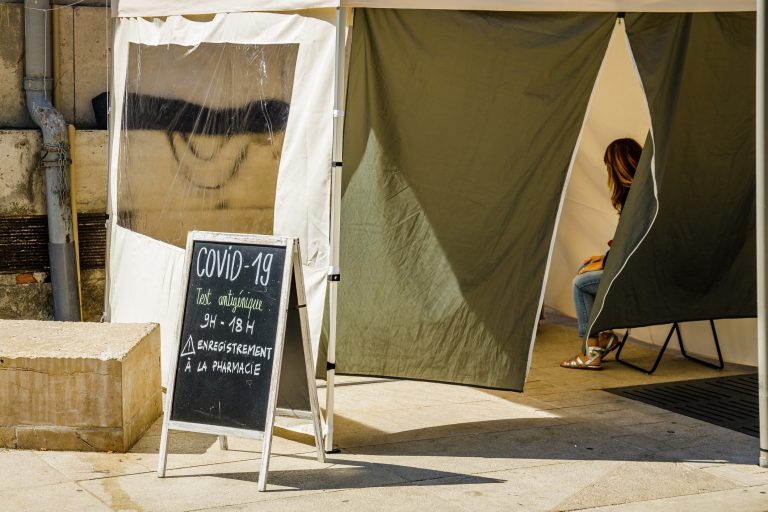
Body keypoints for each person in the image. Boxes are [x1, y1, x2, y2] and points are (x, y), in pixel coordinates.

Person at [560, 138, 642, 370]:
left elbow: (632, 246)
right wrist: (603, 259)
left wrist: (606, 260)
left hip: (639, 278)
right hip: (640, 269)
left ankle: (592, 350)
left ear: (619, 166)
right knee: (584, 273)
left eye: (608, 166)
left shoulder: (636, 201)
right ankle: (603, 337)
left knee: (581, 283)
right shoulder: (641, 197)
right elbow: (629, 244)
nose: (608, 172)